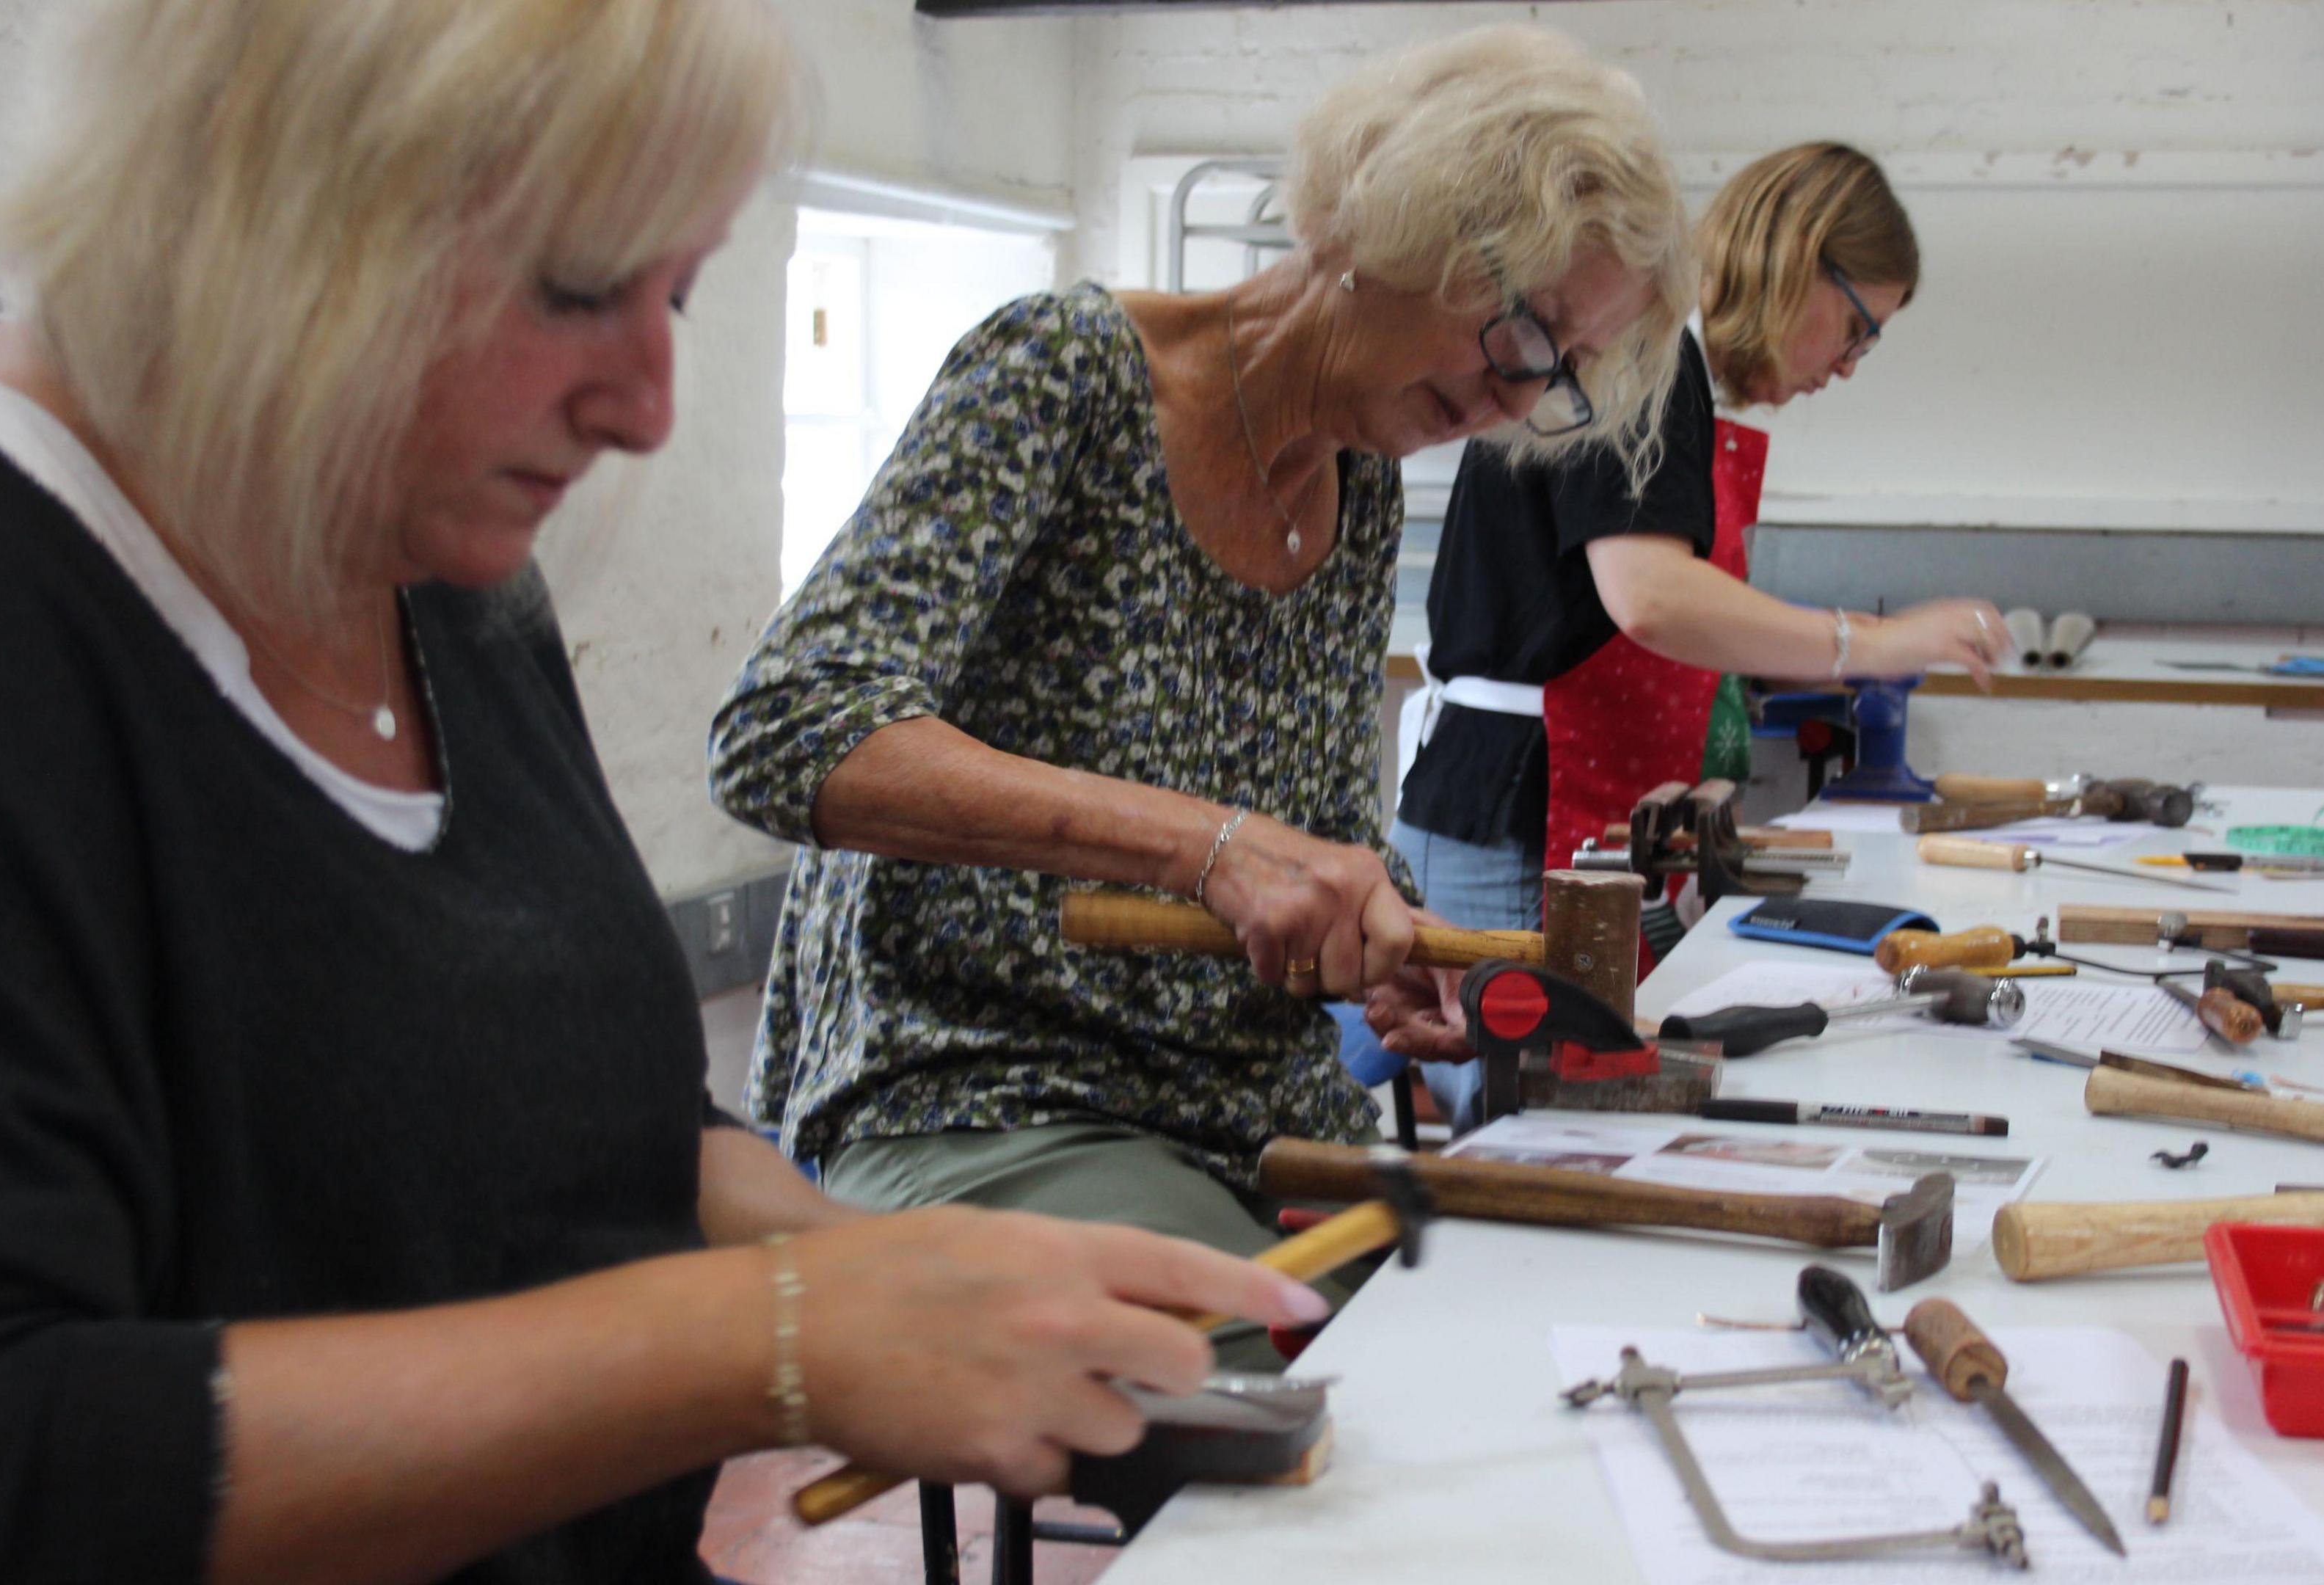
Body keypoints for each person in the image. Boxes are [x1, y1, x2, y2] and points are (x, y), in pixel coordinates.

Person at [0, 4, 1327, 1581]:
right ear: (270, 198)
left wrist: (889, 1273)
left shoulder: (420, 555)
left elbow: (592, 1125)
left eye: (675, 294)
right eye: (580, 289)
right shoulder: (2, 611)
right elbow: (2, 1449)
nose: (650, 408)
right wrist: (767, 1340)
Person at [707, 24, 1693, 1359]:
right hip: (978, 1086)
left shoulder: (1359, 478)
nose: (1516, 395)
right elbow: (784, 733)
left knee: (1513, 1364)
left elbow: (1306, 828)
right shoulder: (1068, 377)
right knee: (1286, 1407)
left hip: (1242, 1105)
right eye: (1523, 329)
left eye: (1559, 374)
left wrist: (1365, 951)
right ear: (1390, 226)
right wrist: (1213, 849)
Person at [1389, 143, 2013, 1126]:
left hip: (1557, 803)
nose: (1848, 367)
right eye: (1855, 329)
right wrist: (1877, 644)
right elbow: (1649, 596)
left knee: (1579, 1108)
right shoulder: (1642, 352)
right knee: (1534, 1127)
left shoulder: (1669, 369)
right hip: (1518, 798)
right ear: (1798, 258)